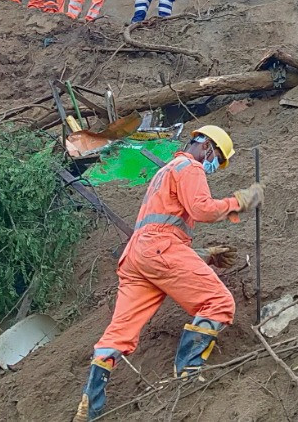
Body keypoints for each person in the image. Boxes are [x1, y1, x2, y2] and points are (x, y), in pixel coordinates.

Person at [72, 126, 262, 422]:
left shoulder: (167, 170)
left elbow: (159, 226)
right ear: (207, 146)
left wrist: (200, 255)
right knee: (219, 303)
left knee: (119, 333)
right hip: (160, 248)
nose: (214, 165)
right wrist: (240, 201)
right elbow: (201, 210)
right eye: (217, 158)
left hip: (137, 256)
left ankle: (91, 404)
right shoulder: (191, 166)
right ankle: (187, 373)